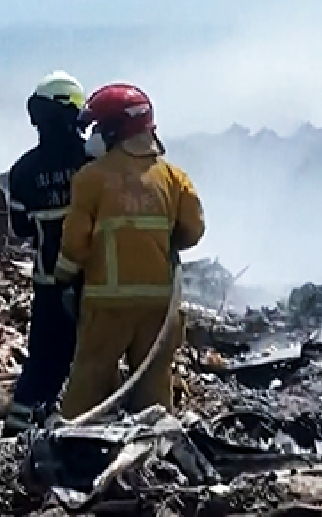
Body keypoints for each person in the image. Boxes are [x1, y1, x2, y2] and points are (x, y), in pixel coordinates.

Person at [54, 83, 205, 419]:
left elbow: (75, 243)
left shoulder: (91, 178)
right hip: (160, 305)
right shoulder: (174, 178)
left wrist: (62, 278)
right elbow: (193, 231)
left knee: (89, 385)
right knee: (153, 389)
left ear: (112, 130)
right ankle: (151, 456)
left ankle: (75, 451)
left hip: (107, 305)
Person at [4, 70, 91, 434]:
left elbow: (21, 229)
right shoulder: (93, 165)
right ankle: (83, 423)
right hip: (94, 283)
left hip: (48, 282)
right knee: (93, 357)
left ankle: (18, 428)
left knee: (43, 360)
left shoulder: (23, 171)